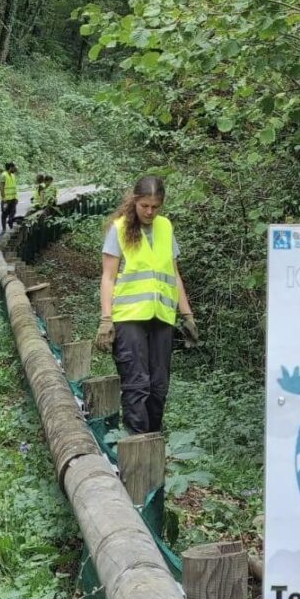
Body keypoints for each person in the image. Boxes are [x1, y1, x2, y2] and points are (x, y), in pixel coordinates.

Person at [95, 175, 198, 434]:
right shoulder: (118, 229)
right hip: (129, 318)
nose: (150, 212)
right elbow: (108, 277)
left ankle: (153, 440)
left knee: (159, 386)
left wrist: (187, 315)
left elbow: (174, 274)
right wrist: (106, 320)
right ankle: (137, 446)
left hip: (161, 317)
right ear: (135, 200)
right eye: (144, 206)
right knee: (136, 384)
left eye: (155, 207)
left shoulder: (165, 227)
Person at [0, 162, 18, 231]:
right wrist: (3, 197)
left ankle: (11, 227)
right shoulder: (3, 175)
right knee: (4, 214)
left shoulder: (13, 175)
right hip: (6, 199)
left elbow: (14, 188)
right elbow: (1, 187)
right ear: (11, 167)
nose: (15, 168)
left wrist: (16, 197)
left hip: (13, 199)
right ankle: (4, 229)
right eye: (14, 167)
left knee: (13, 213)